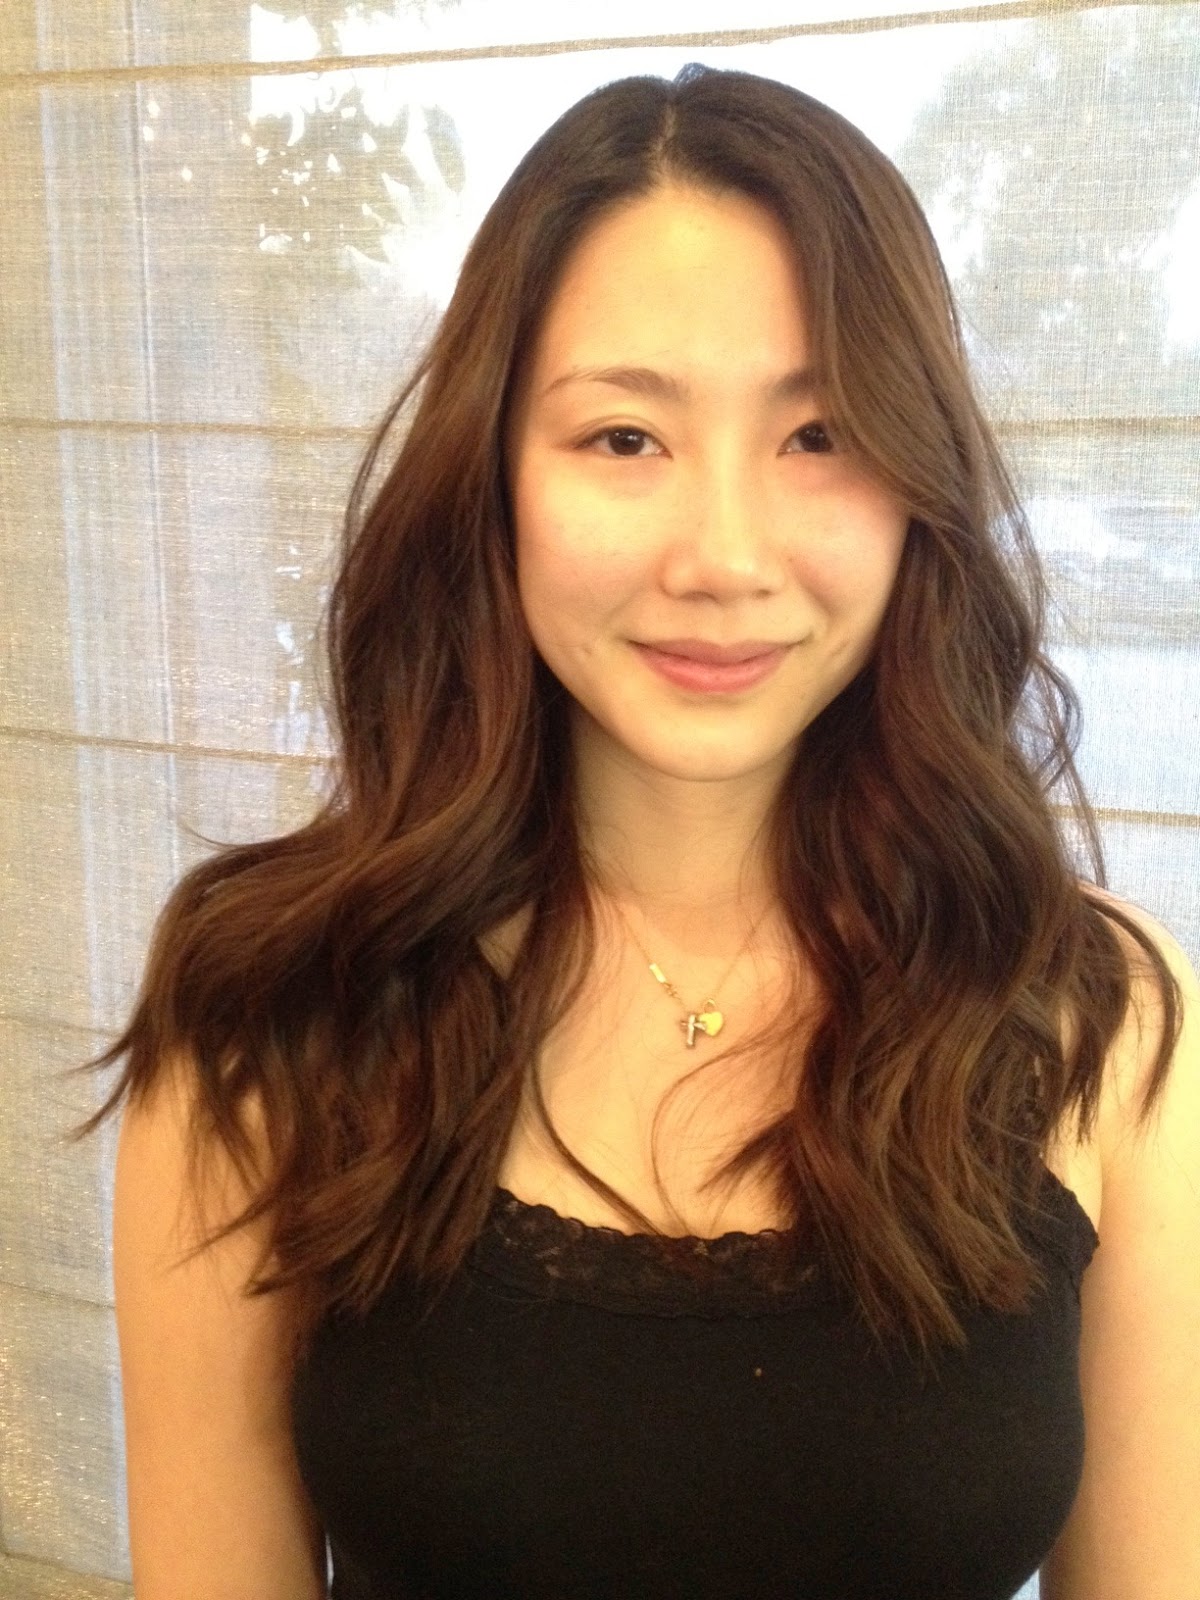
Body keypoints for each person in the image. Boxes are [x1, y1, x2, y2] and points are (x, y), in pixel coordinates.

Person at [75, 63, 1199, 1600]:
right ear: (491, 477)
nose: (724, 556)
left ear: (917, 487)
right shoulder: (267, 1016)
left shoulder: (1099, 1014)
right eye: (622, 438)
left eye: (820, 434)